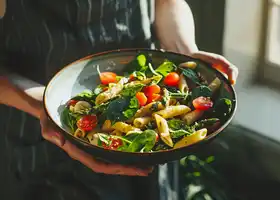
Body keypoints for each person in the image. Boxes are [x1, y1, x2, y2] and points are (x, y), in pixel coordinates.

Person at [0, 0, 238, 199]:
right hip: (37, 137)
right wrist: (43, 103)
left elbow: (165, 2)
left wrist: (185, 52)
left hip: (148, 140)